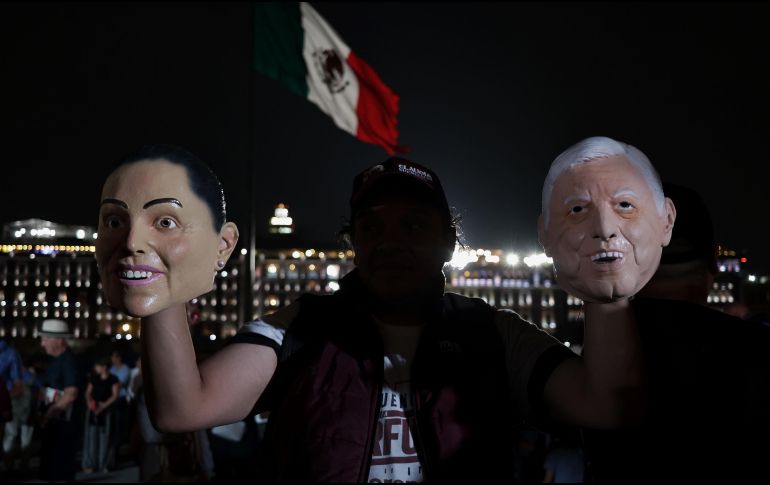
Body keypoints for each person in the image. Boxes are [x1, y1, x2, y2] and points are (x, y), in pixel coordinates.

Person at [96, 145, 649, 483]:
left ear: (447, 243)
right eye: (373, 226)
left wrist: (607, 294)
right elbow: (182, 408)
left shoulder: (494, 334)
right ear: (354, 241)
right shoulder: (301, 329)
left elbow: (605, 406)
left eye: (413, 225)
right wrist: (163, 282)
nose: (390, 241)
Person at [37, 319, 79, 482]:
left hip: (63, 428)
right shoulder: (56, 360)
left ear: (59, 340)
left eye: (45, 339)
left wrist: (49, 414)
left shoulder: (68, 361)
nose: (42, 344)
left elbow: (70, 394)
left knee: (59, 471)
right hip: (55, 426)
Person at [81, 355, 120, 474]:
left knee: (105, 437)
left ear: (104, 367)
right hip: (93, 409)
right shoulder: (94, 378)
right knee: (91, 437)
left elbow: (115, 395)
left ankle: (104, 464)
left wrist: (103, 406)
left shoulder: (113, 379)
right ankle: (90, 464)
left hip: (106, 410)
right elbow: (88, 392)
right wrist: (89, 402)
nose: (95, 368)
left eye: (97, 366)